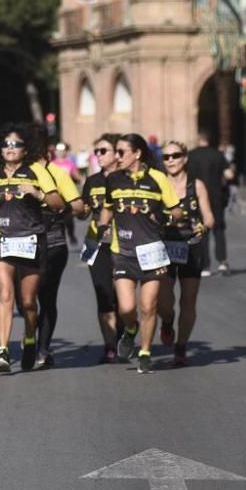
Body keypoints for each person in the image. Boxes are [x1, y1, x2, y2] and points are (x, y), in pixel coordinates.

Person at [0, 125, 63, 373]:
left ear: (25, 148)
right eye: (6, 144)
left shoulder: (36, 171)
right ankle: (3, 352)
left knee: (29, 302)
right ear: (0, 148)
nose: (11, 149)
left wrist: (38, 194)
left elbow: (57, 203)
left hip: (31, 241)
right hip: (3, 240)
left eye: (16, 144)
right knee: (5, 295)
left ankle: (30, 335)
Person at [97, 133, 183, 374]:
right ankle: (131, 330)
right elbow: (107, 210)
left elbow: (176, 212)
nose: (117, 156)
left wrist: (164, 217)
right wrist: (97, 235)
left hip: (152, 251)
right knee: (126, 308)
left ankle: (145, 351)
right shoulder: (113, 179)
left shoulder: (158, 179)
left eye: (121, 152)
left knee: (148, 306)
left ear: (137, 154)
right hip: (122, 251)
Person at [157, 140, 215, 367]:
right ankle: (168, 321)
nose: (171, 160)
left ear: (185, 158)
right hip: (164, 246)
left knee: (188, 300)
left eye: (175, 155)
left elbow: (209, 216)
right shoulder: (158, 184)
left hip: (191, 246)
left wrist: (203, 226)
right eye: (166, 157)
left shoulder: (196, 185)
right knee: (163, 300)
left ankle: (181, 346)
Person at [35, 128, 85, 367]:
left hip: (53, 243)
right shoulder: (15, 173)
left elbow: (78, 206)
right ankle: (29, 343)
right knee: (23, 300)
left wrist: (59, 207)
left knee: (46, 297)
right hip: (19, 245)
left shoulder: (57, 172)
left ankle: (42, 348)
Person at [80, 134, 122, 363]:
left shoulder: (125, 179)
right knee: (103, 294)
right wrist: (78, 209)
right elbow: (85, 210)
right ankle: (110, 345)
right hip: (96, 242)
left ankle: (124, 333)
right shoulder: (93, 181)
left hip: (122, 243)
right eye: (96, 152)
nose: (98, 156)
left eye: (103, 151)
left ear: (117, 154)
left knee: (122, 297)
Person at [187, 130, 233, 275]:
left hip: (198, 198)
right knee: (219, 229)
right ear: (209, 140)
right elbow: (229, 174)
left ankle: (205, 266)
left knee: (202, 231)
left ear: (198, 140)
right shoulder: (218, 155)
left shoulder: (191, 155)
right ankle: (222, 262)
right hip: (216, 196)